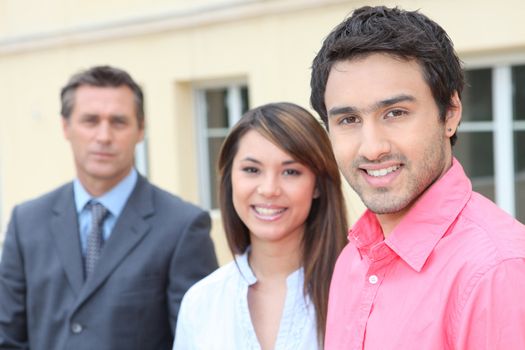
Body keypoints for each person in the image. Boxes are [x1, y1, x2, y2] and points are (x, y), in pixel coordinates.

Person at [310, 5, 525, 349]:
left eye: (395, 113)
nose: (372, 148)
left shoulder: (498, 271)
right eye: (348, 119)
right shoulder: (353, 258)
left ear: (450, 114)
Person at [0, 65, 218, 350]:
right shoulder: (26, 222)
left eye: (118, 122)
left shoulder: (184, 226)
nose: (103, 136)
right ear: (65, 127)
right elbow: (7, 339)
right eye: (90, 121)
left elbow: (198, 341)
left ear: (141, 129)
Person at [173, 102, 348, 349]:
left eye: (290, 172)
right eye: (252, 170)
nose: (269, 190)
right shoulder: (201, 301)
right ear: (230, 179)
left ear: (318, 185)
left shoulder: (356, 292)